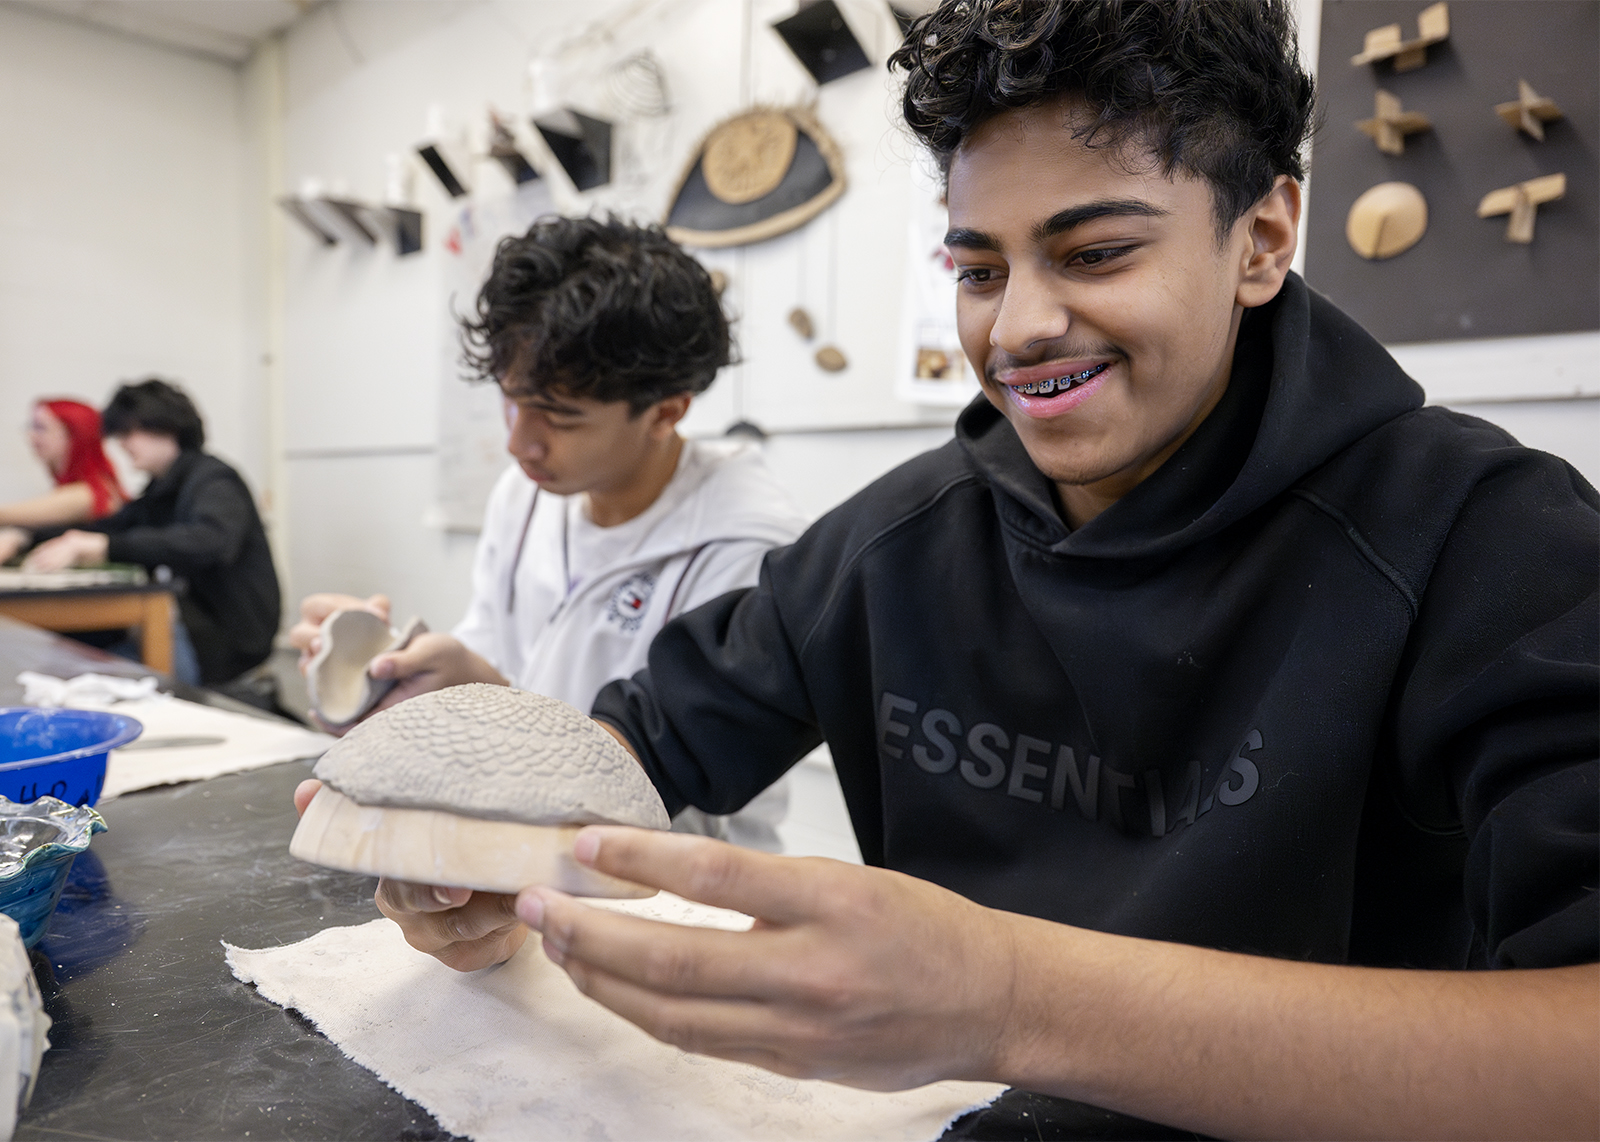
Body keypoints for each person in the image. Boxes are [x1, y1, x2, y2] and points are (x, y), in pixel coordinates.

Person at [313, 3, 1598, 1136]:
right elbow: (634, 755)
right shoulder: (890, 547)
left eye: (1095, 252)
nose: (1021, 325)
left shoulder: (1487, 541)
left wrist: (1011, 1000)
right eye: (978, 268)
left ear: (1261, 237)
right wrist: (481, 847)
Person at [290, 215, 808, 850]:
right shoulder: (529, 495)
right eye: (512, 400)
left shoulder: (750, 549)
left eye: (559, 416)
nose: (518, 443)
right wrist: (404, 672)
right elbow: (495, 651)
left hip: (678, 884)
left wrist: (488, 699)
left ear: (666, 412)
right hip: (520, 841)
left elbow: (687, 799)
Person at [16, 378, 280, 687]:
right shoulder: (160, 488)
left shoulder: (214, 479)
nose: (123, 444)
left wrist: (103, 546)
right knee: (73, 661)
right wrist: (24, 536)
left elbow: (210, 542)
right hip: (191, 627)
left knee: (79, 675)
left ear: (167, 428)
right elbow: (109, 527)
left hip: (226, 636)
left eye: (129, 432)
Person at [0, 399, 125, 548]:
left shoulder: (88, 493)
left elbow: (5, 515)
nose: (31, 436)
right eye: (31, 427)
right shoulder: (91, 488)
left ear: (73, 434)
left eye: (40, 427)